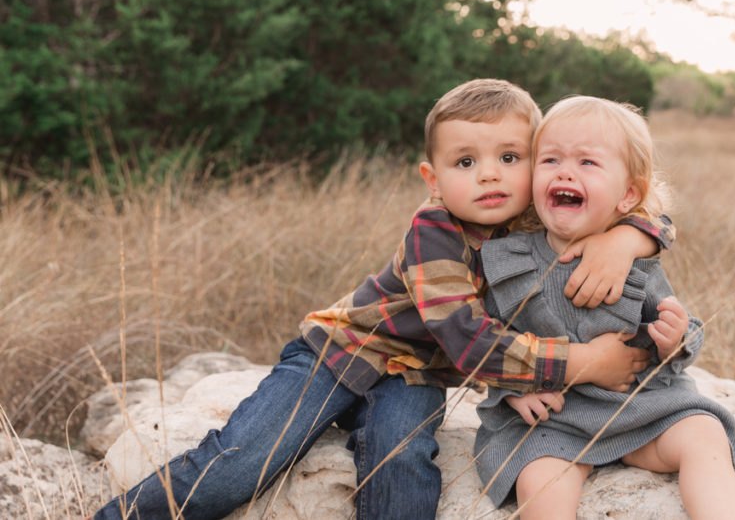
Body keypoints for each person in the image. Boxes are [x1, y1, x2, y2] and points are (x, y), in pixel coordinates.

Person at [91, 79, 673, 520]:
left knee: (403, 472)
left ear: (537, 162)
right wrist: (581, 364)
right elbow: (468, 338)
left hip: (415, 376)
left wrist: (630, 236)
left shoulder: (536, 225)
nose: (490, 177)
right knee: (246, 460)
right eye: (466, 162)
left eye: (510, 158)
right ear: (433, 178)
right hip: (341, 354)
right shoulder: (435, 230)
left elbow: (635, 213)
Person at [473, 95, 735, 520]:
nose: (565, 171)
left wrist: (674, 338)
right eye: (550, 159)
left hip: (637, 410)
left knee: (704, 433)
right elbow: (489, 340)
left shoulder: (631, 257)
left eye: (587, 163)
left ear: (628, 194)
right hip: (556, 421)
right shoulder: (509, 258)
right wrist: (512, 392)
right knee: (538, 478)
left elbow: (677, 325)